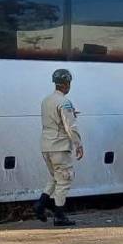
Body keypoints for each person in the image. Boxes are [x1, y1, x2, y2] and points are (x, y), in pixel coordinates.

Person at [34, 68, 84, 227]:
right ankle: (59, 215)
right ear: (66, 84)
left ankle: (40, 204)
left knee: (56, 177)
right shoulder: (64, 102)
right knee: (65, 179)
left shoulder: (46, 100)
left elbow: (53, 119)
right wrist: (78, 144)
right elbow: (70, 127)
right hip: (59, 146)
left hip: (46, 145)